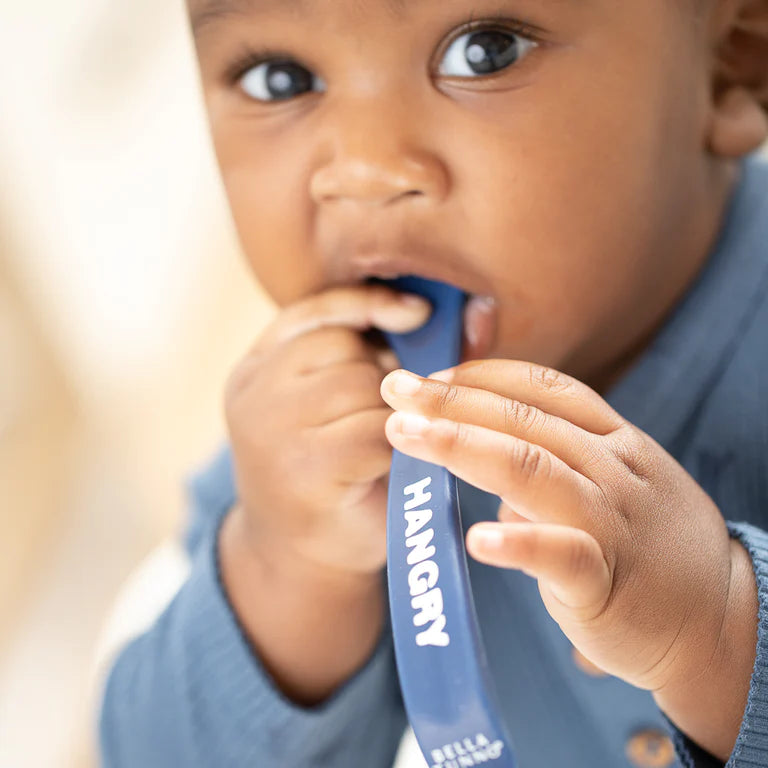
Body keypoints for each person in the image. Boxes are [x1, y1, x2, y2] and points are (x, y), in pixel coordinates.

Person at [98, 0, 768, 765]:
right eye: (279, 77)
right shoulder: (319, 450)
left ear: (731, 65)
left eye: (486, 51)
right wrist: (286, 576)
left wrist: (721, 634)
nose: (363, 171)